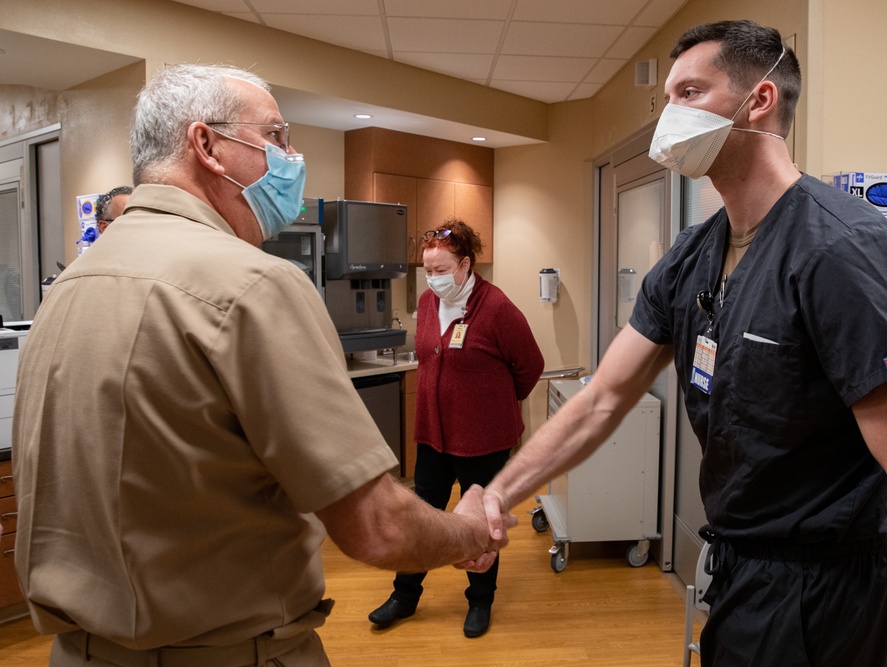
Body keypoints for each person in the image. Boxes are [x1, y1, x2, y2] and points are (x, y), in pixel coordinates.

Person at [479, 20, 887, 667]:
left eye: (689, 92)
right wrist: (496, 494)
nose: (669, 116)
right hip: (741, 575)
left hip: (827, 595)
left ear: (758, 100)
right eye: (669, 99)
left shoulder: (843, 250)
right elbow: (601, 399)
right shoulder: (692, 257)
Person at [12, 64, 513, 667]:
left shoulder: (68, 286)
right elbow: (377, 525)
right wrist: (468, 530)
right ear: (207, 145)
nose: (292, 156)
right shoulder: (251, 283)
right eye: (276, 136)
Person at [368, 219, 544, 638]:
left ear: (465, 265)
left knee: (483, 524)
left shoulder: (497, 308)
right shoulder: (428, 304)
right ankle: (404, 597)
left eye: (441, 270)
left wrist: (492, 405)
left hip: (483, 441)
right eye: (427, 270)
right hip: (433, 436)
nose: (433, 279)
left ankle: (480, 602)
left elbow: (530, 366)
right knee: (420, 520)